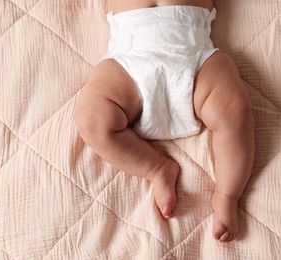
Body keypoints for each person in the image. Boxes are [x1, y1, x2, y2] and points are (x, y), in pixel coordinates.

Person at [74, 0, 255, 243]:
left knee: (234, 110)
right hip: (128, 60)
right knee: (91, 119)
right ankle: (156, 168)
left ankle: (227, 194)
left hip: (195, 54)